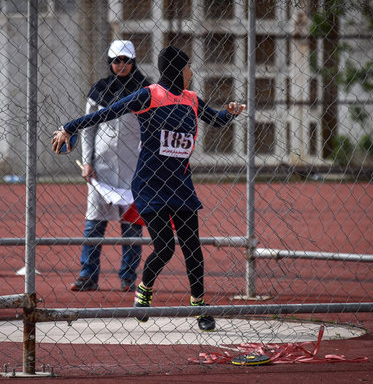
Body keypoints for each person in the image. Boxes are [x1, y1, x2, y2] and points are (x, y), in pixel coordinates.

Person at [52, 45, 246, 331]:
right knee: (165, 247)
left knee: (193, 249)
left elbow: (215, 120)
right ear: (178, 70)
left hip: (180, 184)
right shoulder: (150, 94)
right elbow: (107, 113)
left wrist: (230, 113)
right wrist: (70, 127)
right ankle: (144, 289)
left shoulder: (191, 99)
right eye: (188, 67)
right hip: (150, 185)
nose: (191, 72)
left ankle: (200, 307)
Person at [70, 40, 150, 293]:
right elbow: (88, 128)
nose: (121, 65)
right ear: (110, 62)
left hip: (133, 170)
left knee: (132, 226)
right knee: (94, 223)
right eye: (117, 60)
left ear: (133, 62)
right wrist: (87, 162)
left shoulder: (146, 90)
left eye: (126, 60)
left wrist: (148, 165)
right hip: (101, 169)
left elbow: (152, 128)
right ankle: (88, 275)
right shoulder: (99, 90)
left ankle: (128, 277)